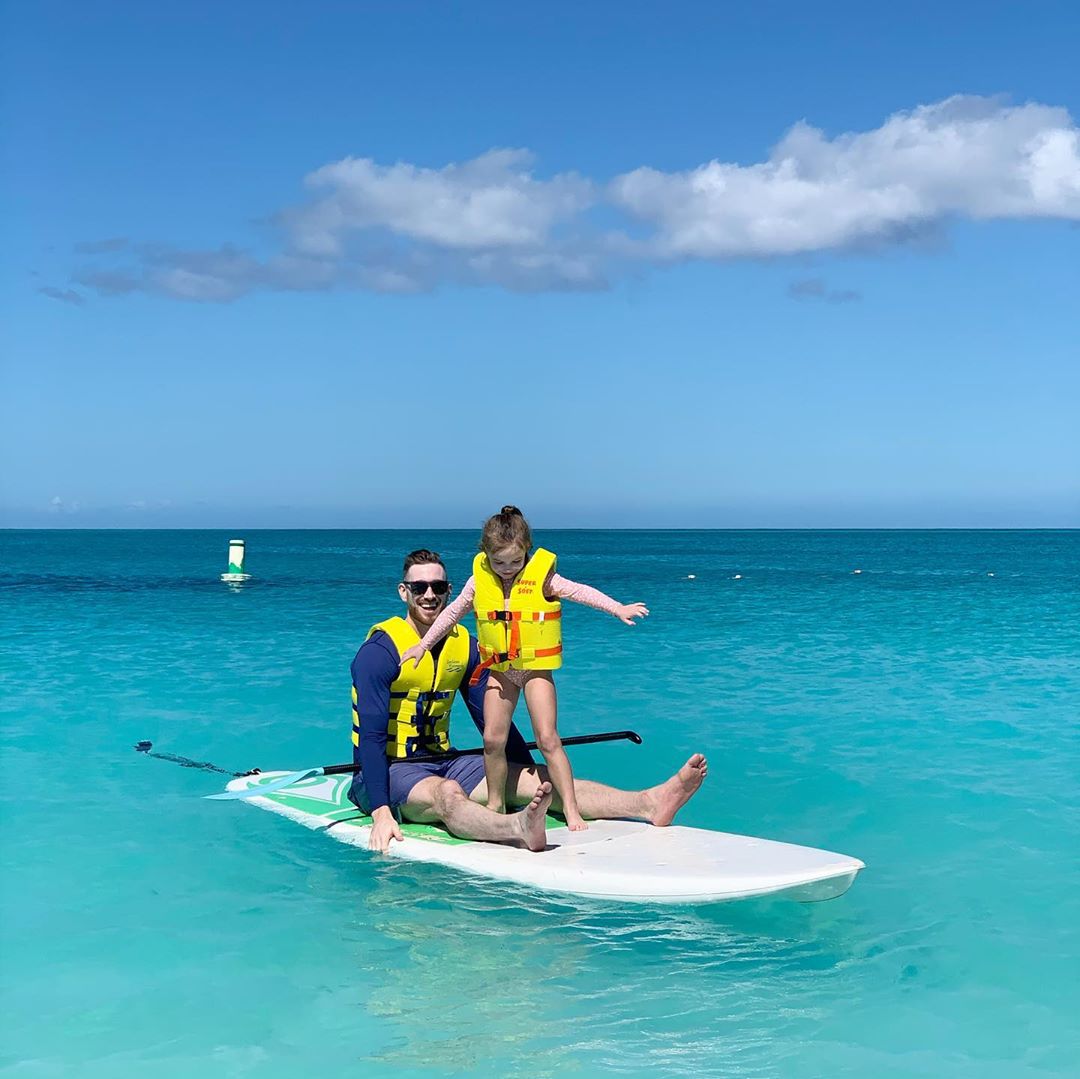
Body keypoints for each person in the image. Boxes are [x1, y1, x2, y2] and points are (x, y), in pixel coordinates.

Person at [355, 548, 705, 855]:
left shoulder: (464, 644)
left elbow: (492, 722)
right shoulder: (379, 652)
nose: (430, 595)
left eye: (439, 587)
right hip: (389, 771)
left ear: (449, 590)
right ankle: (516, 828)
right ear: (404, 592)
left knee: (540, 780)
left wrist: (522, 770)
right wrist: (381, 811)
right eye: (419, 588)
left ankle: (649, 803)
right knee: (447, 794)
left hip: (448, 760)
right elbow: (370, 738)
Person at [399, 506, 648, 831]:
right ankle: (496, 804)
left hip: (533, 671)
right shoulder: (479, 580)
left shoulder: (542, 576)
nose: (507, 569)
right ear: (485, 554)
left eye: (515, 562)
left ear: (526, 552)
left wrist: (617, 608)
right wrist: (423, 644)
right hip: (501, 670)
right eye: (499, 562)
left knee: (547, 739)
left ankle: (572, 809)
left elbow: (580, 592)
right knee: (492, 740)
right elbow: (452, 614)